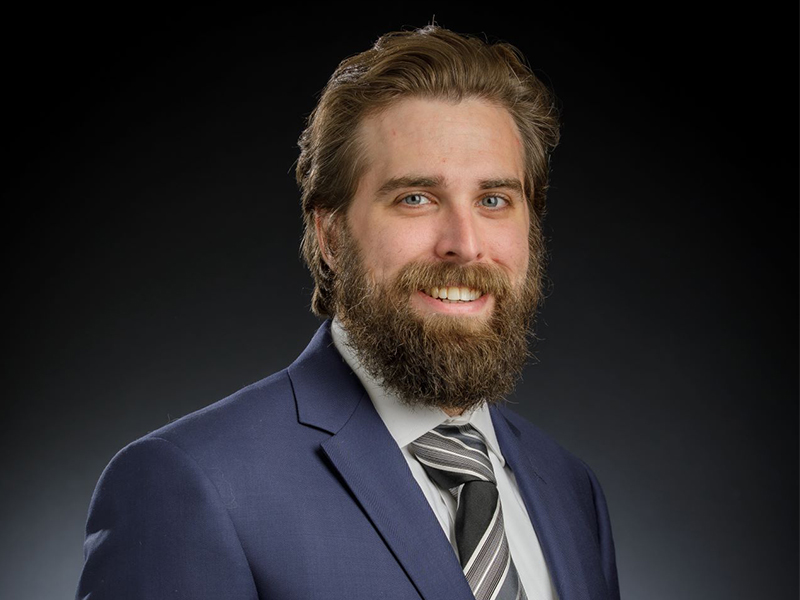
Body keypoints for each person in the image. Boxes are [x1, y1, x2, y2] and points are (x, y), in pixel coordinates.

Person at [77, 26, 620, 600]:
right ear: (331, 236)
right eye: (416, 198)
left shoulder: (571, 490)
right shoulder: (189, 483)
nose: (465, 244)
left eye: (494, 200)